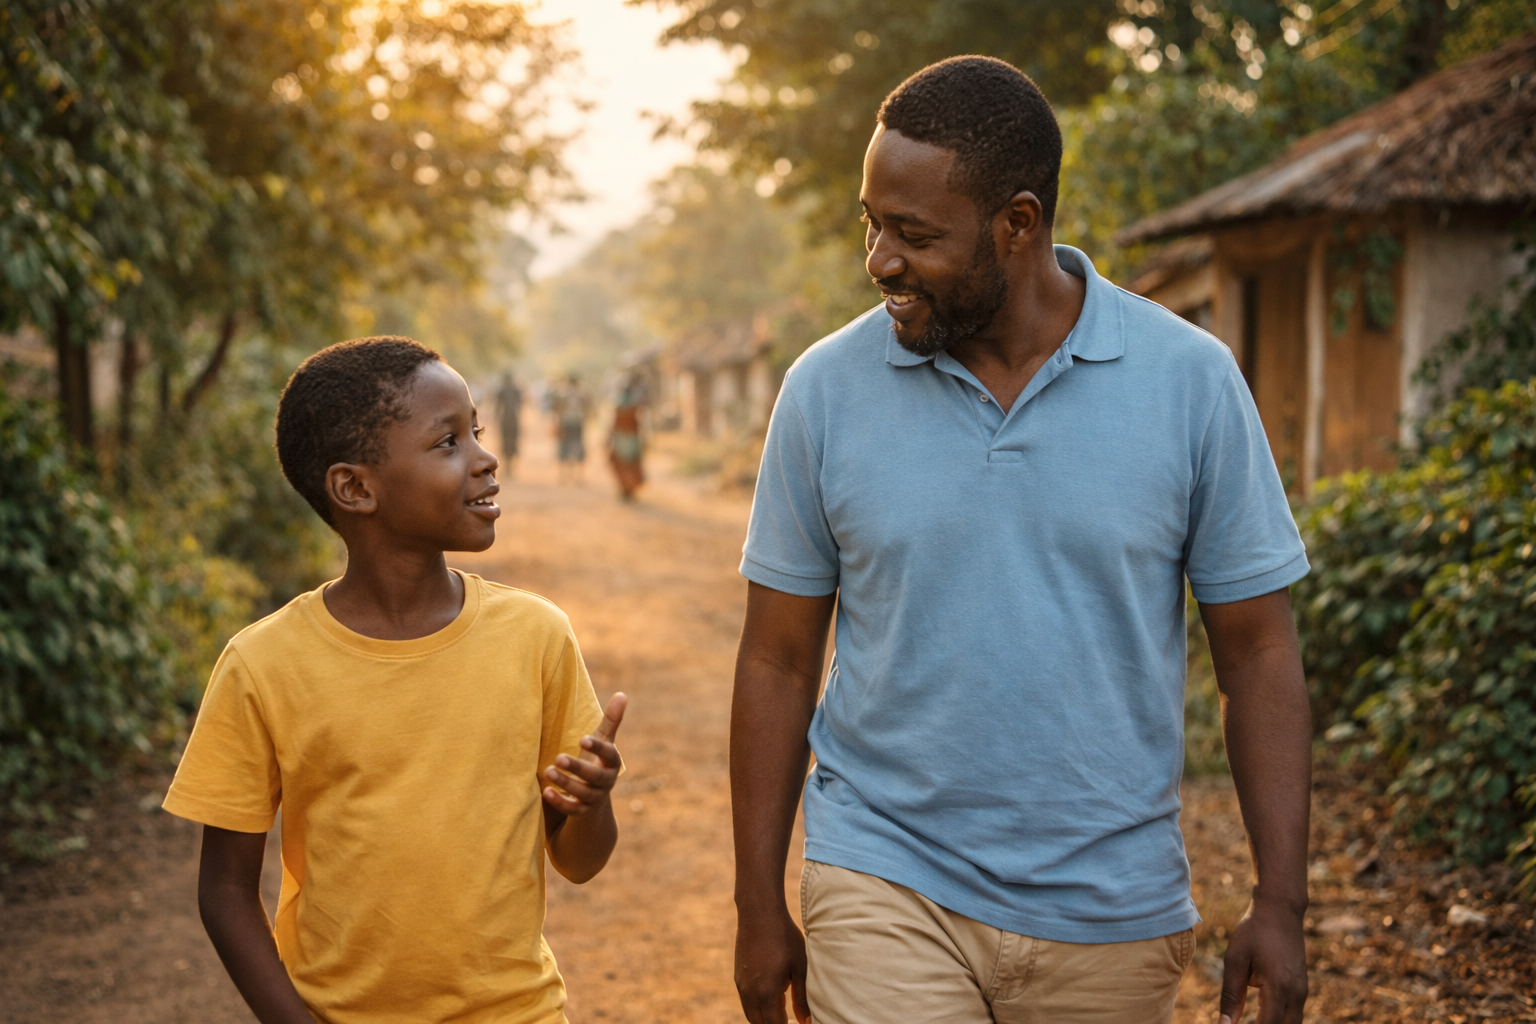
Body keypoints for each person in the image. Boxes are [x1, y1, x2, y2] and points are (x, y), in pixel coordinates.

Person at [731, 57, 1311, 1024]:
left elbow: (1257, 650)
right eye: (870, 223)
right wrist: (758, 904)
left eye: (915, 235)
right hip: (884, 872)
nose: (879, 259)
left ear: (1019, 224)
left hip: (1112, 906)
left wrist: (1280, 901)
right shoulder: (825, 391)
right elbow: (777, 658)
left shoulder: (1189, 383)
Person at [162, 336, 627, 1024]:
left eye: (477, 432)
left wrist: (588, 803)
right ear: (355, 487)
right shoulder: (264, 664)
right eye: (447, 443)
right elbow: (226, 889)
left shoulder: (535, 637)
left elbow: (582, 862)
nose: (485, 459)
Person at [607, 379, 645, 501]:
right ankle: (630, 489)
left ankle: (624, 489)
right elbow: (639, 424)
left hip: (621, 440)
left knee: (621, 464)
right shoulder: (635, 405)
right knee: (631, 464)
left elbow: (613, 424)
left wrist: (609, 438)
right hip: (632, 439)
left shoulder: (618, 404)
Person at [553, 374, 587, 484]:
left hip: (567, 423)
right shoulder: (582, 394)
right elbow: (587, 408)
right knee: (577, 447)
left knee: (565, 447)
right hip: (577, 423)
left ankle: (563, 476)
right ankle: (579, 477)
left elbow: (558, 408)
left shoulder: (563, 393)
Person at [497, 369, 524, 474]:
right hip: (513, 419)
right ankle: (511, 466)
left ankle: (507, 466)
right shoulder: (516, 389)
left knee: (505, 441)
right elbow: (519, 406)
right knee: (513, 442)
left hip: (505, 419)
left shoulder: (501, 389)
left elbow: (498, 407)